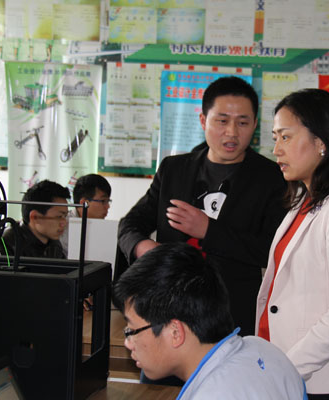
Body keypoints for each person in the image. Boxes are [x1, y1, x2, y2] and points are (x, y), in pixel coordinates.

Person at [118, 76, 287, 337]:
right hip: (169, 308)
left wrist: (209, 230)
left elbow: (271, 249)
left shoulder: (272, 178)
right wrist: (143, 247)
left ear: (255, 124)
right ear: (202, 121)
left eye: (242, 122)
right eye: (222, 121)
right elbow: (130, 224)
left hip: (233, 314)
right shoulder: (174, 169)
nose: (232, 132)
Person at [255, 89, 329, 399]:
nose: (276, 149)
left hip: (321, 378)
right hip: (283, 366)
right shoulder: (304, 200)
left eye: (286, 137)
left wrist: (289, 366)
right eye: (275, 138)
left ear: (321, 142)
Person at [113, 242, 307, 400]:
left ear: (175, 332)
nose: (128, 343)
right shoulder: (264, 350)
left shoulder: (210, 394)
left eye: (131, 331)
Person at [0, 180, 70, 258]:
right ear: (35, 217)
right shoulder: (7, 244)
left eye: (65, 216)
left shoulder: (54, 245)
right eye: (59, 216)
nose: (64, 223)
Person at [61, 173, 112, 255]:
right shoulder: (63, 227)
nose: (108, 206)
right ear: (84, 203)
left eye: (108, 201)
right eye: (103, 201)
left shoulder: (103, 228)